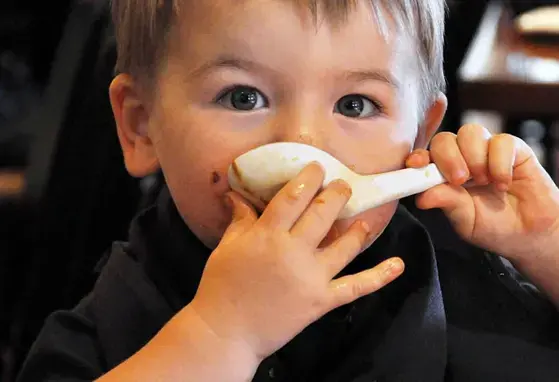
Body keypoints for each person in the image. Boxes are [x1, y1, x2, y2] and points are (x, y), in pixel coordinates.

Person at [16, 0, 559, 381]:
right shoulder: (115, 323)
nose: (305, 147)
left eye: (355, 105)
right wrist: (222, 335)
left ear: (419, 134)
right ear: (141, 126)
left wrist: (547, 244)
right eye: (242, 97)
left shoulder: (460, 272)